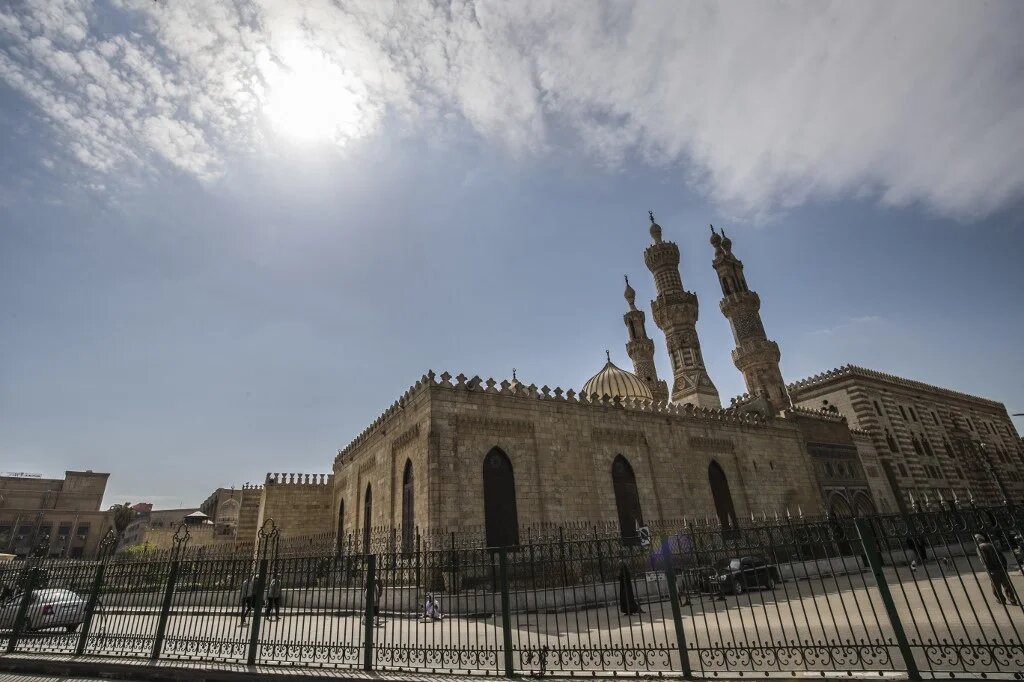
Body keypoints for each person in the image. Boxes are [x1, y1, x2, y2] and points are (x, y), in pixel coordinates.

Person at [975, 533, 1018, 606]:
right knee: (1007, 585)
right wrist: (1004, 567)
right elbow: (1002, 556)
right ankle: (1013, 600)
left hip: (993, 570)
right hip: (1001, 568)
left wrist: (988, 569)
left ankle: (1001, 600)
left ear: (978, 540)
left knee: (996, 587)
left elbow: (984, 560)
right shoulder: (991, 545)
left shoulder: (980, 547)